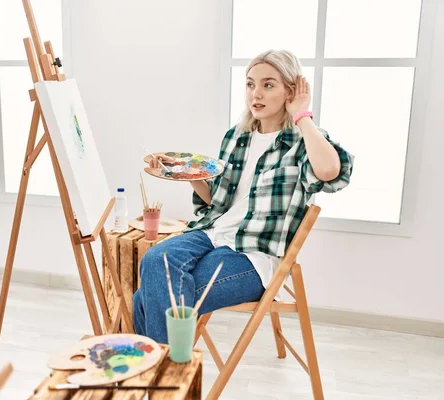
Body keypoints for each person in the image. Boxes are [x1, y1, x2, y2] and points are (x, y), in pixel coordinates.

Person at [132, 49, 355, 344]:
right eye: (250, 84)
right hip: (214, 233)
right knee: (154, 259)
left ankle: (164, 381)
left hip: (254, 253)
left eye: (268, 85)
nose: (256, 94)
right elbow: (218, 203)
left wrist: (301, 115)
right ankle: (169, 377)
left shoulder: (303, 142)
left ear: (290, 91)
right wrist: (185, 174)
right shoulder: (236, 137)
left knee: (147, 298)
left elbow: (329, 171)